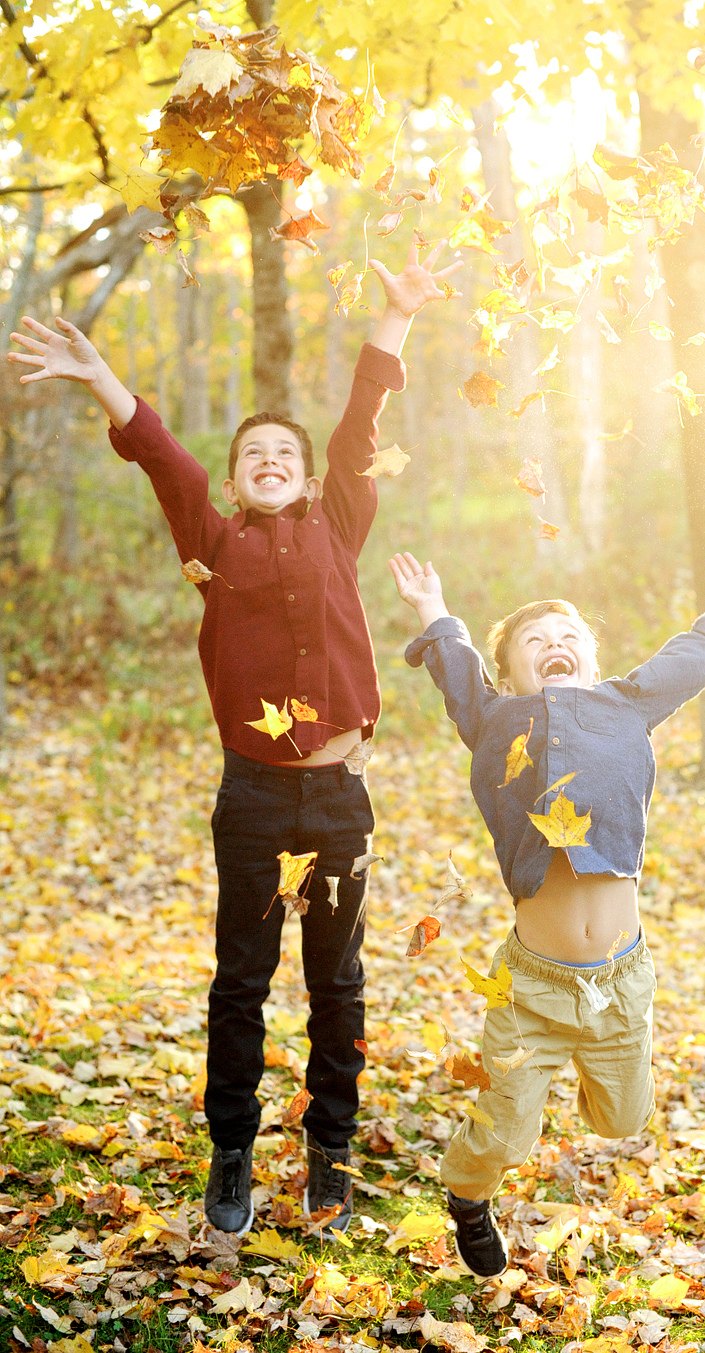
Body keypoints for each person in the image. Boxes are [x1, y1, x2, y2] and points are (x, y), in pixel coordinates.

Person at [7, 240, 461, 1239]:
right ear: (238, 479)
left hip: (338, 803)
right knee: (243, 983)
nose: (270, 462)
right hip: (254, 801)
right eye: (253, 455)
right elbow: (162, 459)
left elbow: (357, 429)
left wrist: (396, 322)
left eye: (284, 456)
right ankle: (231, 1156)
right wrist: (103, 383)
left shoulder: (340, 523)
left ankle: (331, 1154)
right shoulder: (211, 547)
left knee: (337, 983)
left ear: (304, 478)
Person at [389, 550, 705, 1278]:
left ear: (594, 661)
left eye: (567, 636)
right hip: (531, 989)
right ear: (508, 673)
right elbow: (454, 666)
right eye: (533, 642)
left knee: (622, 1120)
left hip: (620, 980)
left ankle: (573, 1065)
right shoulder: (494, 717)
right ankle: (467, 1195)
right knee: (506, 1137)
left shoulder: (624, 705)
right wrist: (432, 607)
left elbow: (685, 660)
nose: (553, 645)